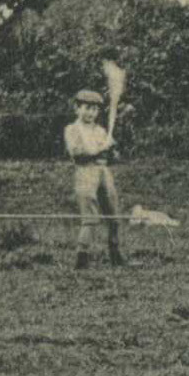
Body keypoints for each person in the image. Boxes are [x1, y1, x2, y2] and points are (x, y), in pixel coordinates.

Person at [64, 89, 124, 270]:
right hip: (85, 173)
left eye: (94, 110)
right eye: (87, 108)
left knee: (114, 215)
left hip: (103, 172)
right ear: (77, 109)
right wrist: (100, 149)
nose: (91, 113)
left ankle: (115, 254)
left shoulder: (100, 131)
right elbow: (78, 153)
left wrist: (113, 148)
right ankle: (81, 259)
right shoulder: (72, 129)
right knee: (90, 217)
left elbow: (113, 158)